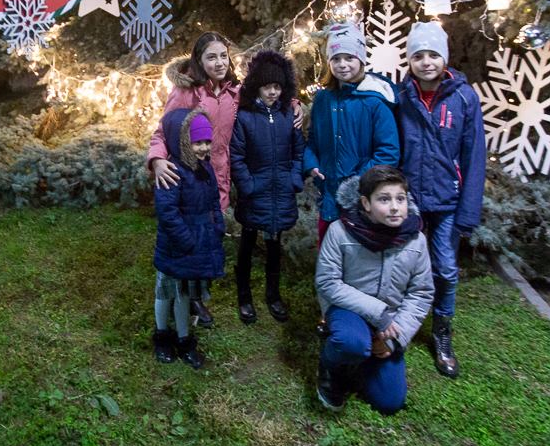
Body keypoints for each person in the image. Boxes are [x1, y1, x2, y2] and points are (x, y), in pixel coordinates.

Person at [397, 20, 486, 379]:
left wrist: (468, 211)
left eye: (433, 55)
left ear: (444, 58)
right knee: (404, 265)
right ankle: (401, 325)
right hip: (410, 200)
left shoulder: (464, 98)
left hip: (447, 200)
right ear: (410, 60)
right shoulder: (402, 97)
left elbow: (474, 156)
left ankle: (442, 332)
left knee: (445, 269)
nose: (426, 62)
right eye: (418, 56)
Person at [303, 21, 399, 336]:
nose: (343, 65)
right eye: (336, 59)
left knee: (359, 258)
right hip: (329, 195)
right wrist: (312, 164)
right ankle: (328, 313)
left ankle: (363, 316)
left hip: (360, 197)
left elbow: (388, 150)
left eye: (349, 58)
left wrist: (359, 180)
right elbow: (312, 142)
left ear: (361, 59)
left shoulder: (374, 100)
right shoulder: (323, 100)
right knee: (329, 257)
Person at [314, 166, 433, 415]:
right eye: (384, 199)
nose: (394, 207)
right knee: (351, 342)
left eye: (400, 199)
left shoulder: (416, 240)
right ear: (366, 203)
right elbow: (328, 282)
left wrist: (396, 340)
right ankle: (331, 365)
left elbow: (421, 292)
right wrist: (378, 312)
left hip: (391, 323)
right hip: (349, 311)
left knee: (390, 402)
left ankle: (364, 358)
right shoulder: (340, 231)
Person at [147, 32, 240, 327]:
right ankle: (183, 297)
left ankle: (197, 293)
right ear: (199, 60)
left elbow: (265, 99)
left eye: (223, 56)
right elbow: (163, 130)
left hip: (217, 176)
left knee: (210, 234)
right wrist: (158, 159)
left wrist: (293, 102)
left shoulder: (232, 91)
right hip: (190, 177)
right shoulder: (186, 92)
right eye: (211, 57)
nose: (219, 62)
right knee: (189, 236)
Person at [229, 49, 304, 325]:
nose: (272, 92)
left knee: (274, 248)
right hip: (254, 194)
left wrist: (294, 179)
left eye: (277, 87)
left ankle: (273, 295)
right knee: (247, 246)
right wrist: (247, 186)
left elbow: (298, 151)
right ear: (256, 87)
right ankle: (244, 296)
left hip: (281, 192)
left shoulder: (289, 114)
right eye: (267, 86)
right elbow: (236, 156)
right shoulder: (245, 117)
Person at [151, 108, 226, 369]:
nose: (204, 147)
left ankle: (184, 339)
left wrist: (218, 225)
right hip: (175, 248)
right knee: (165, 294)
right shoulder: (172, 172)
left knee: (184, 294)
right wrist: (186, 241)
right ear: (182, 141)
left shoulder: (204, 169)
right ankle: (162, 336)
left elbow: (214, 201)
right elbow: (168, 213)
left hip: (194, 246)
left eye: (207, 141)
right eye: (197, 142)